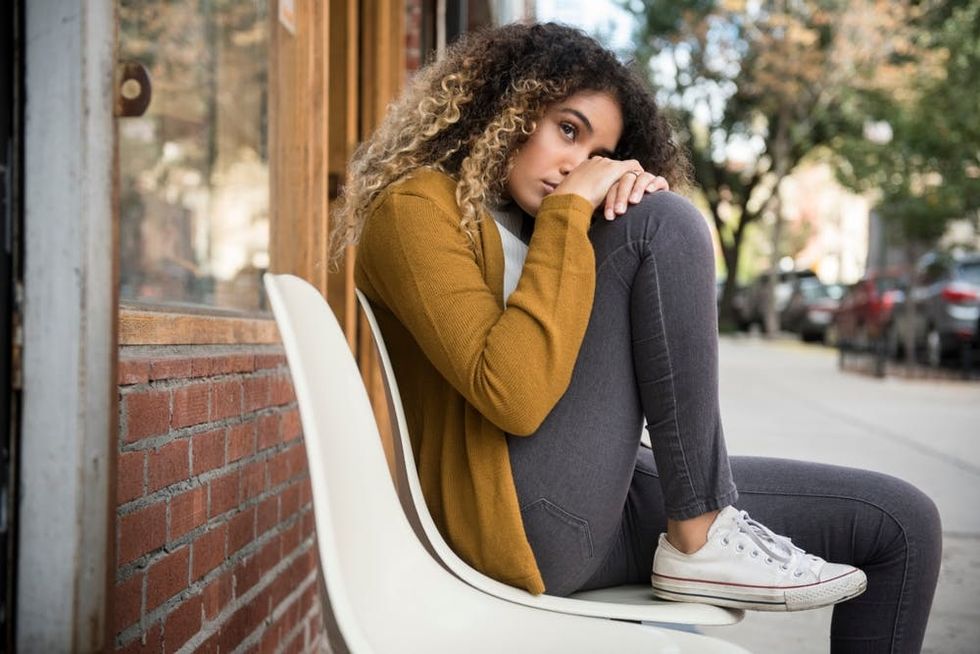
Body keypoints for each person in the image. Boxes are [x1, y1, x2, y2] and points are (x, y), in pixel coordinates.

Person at [334, 22, 942, 653]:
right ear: (507, 106)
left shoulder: (536, 221)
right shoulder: (417, 207)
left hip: (599, 497)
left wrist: (601, 209)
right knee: (666, 223)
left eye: (598, 154)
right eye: (566, 129)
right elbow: (512, 392)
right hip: (518, 522)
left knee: (901, 524)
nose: (577, 164)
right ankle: (700, 534)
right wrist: (575, 212)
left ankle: (700, 526)